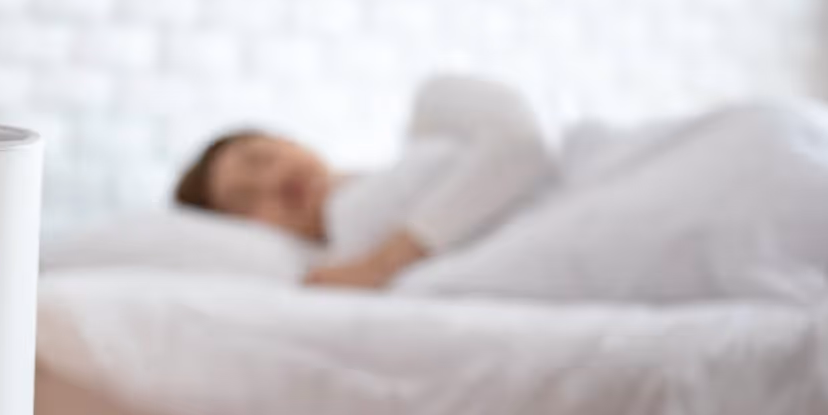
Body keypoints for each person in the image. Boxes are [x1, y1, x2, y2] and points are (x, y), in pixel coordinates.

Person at [174, 76, 556, 288]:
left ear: (288, 140)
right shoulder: (330, 269)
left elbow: (520, 144)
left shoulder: (430, 116)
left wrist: (383, 263)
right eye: (245, 200)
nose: (272, 181)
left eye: (261, 157)